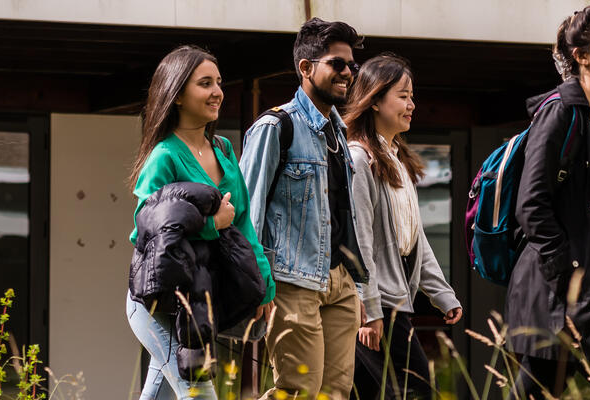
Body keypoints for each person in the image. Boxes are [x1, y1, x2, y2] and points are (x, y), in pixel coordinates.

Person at [126, 45, 276, 400]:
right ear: (177, 95)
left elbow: (242, 222)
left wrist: (264, 283)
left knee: (160, 389)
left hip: (198, 301)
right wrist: (212, 224)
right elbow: (146, 231)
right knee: (198, 390)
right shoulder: (164, 156)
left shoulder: (223, 149)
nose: (217, 92)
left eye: (219, 83)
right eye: (205, 83)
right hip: (157, 304)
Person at [504, 5, 590, 397]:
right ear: (581, 55)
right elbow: (531, 206)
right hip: (559, 294)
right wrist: (570, 273)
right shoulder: (561, 112)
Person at [238, 17, 370, 400]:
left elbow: (344, 214)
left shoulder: (339, 132)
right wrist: (260, 286)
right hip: (292, 280)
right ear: (306, 68)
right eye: (337, 64)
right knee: (298, 391)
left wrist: (356, 285)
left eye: (351, 65)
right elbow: (250, 212)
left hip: (340, 282)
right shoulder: (275, 127)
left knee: (335, 393)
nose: (347, 72)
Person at [342, 54, 463, 400]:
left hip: (398, 306)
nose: (412, 104)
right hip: (377, 308)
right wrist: (370, 312)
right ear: (375, 100)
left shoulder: (397, 159)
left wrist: (442, 294)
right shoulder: (359, 159)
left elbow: (415, 239)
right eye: (403, 95)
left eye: (412, 96)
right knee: (415, 389)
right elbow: (358, 239)